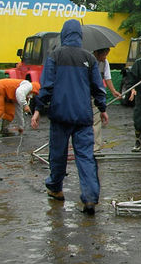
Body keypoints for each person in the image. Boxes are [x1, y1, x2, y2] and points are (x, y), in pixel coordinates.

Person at [30, 19, 107, 215]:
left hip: (60, 115)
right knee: (86, 156)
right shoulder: (89, 58)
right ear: (79, 36)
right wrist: (102, 107)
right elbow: (98, 87)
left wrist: (38, 109)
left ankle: (55, 188)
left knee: (58, 154)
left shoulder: (55, 56)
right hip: (83, 116)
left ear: (64, 35)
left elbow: (46, 86)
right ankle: (89, 198)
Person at [92, 47, 121, 151]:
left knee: (96, 121)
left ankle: (96, 147)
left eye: (106, 55)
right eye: (103, 55)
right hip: (84, 94)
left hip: (97, 95)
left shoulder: (105, 63)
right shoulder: (87, 60)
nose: (104, 58)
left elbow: (107, 77)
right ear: (96, 53)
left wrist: (113, 91)